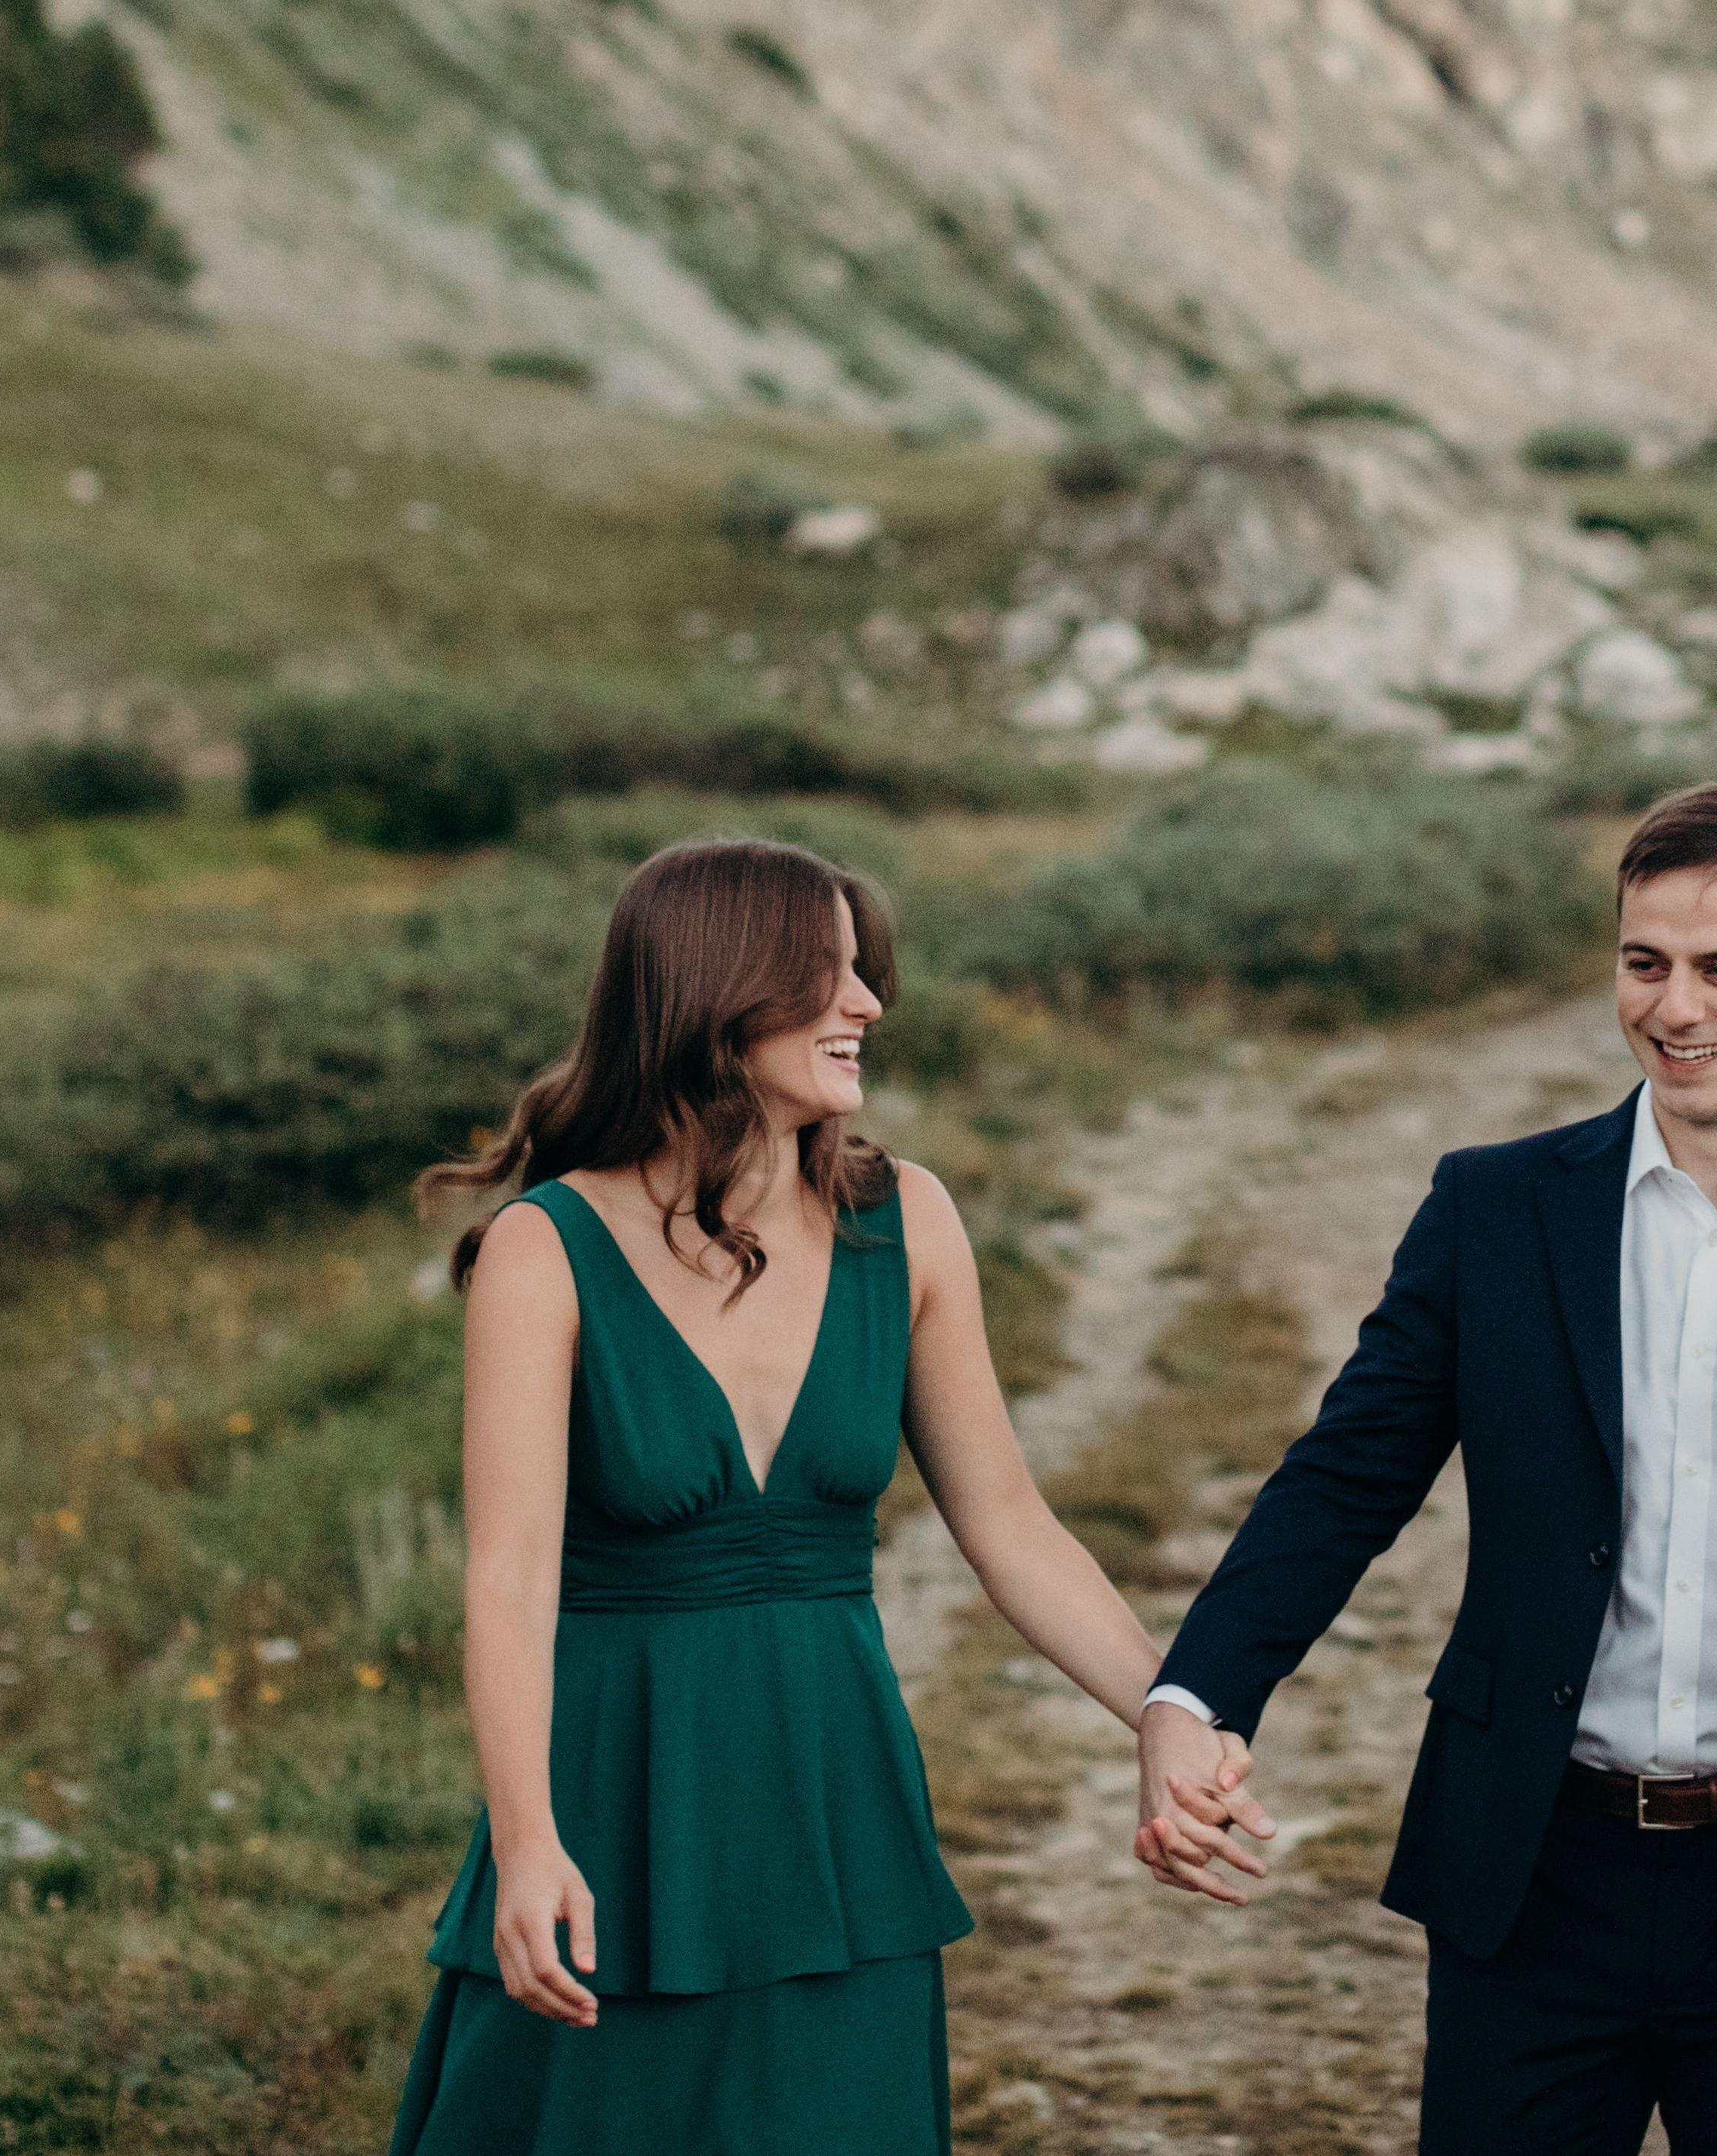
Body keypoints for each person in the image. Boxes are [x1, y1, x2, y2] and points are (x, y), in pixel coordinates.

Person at [1134, 777, 1717, 2156]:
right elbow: (1346, 1476)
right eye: (1644, 963)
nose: (1674, 1007)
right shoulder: (1492, 1210)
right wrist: (1199, 1692)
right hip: (1532, 1872)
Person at [387, 835, 1266, 2156]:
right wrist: (527, 1841)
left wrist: (1162, 1709)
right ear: (714, 992)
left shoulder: (904, 1218)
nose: (868, 1005)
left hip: (832, 1817)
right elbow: (507, 1581)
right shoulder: (545, 1247)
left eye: (865, 974)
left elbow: (1010, 1524)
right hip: (614, 1817)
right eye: (828, 977)